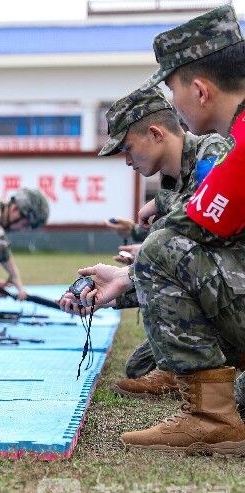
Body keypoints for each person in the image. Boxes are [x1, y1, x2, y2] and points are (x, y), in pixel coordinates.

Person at [61, 5, 245, 455]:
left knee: (162, 246)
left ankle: (210, 419)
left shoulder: (228, 147)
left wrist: (131, 270)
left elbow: (189, 233)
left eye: (172, 89)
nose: (174, 106)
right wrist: (126, 276)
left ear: (199, 90)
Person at [94, 86, 228, 394]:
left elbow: (209, 220)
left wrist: (161, 204)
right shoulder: (170, 184)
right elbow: (172, 268)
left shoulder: (212, 151)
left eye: (128, 148)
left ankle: (217, 369)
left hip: (235, 287)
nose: (127, 160)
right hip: (217, 288)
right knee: (140, 366)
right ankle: (203, 366)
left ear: (156, 134)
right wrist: (109, 297)